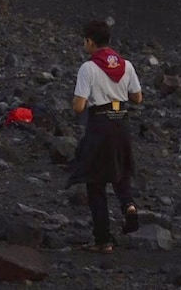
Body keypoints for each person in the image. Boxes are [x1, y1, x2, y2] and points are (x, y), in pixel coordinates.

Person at [67, 20, 143, 254]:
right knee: (121, 171)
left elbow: (79, 106)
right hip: (121, 121)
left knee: (96, 182)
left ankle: (103, 240)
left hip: (99, 124)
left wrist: (75, 102)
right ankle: (128, 204)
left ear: (90, 41)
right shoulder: (127, 66)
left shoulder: (88, 68)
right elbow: (137, 98)